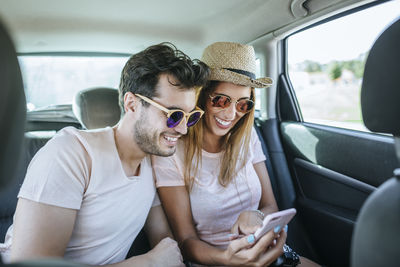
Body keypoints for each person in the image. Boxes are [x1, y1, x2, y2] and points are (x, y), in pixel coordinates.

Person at [0, 43, 210, 267]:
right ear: (131, 104)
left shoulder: (153, 159)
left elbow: (164, 243)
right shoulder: (70, 154)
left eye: (191, 116)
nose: (183, 129)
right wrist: (147, 263)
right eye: (174, 115)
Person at [152, 42, 319, 266]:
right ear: (202, 97)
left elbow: (270, 206)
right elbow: (186, 241)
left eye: (243, 105)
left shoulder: (247, 137)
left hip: (266, 256)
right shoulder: (171, 151)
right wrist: (228, 258)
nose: (231, 114)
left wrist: (256, 216)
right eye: (221, 100)